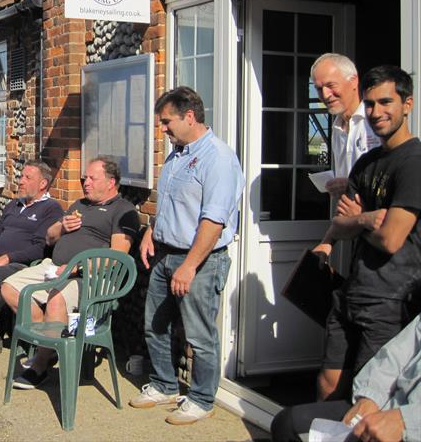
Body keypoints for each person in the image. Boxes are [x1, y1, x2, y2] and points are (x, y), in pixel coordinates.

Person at [130, 86, 244, 425]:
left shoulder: (218, 159)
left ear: (189, 116)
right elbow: (172, 202)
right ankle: (165, 385)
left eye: (166, 122)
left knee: (199, 335)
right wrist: (152, 230)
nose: (162, 129)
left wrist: (190, 265)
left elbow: (213, 220)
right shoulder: (177, 154)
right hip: (166, 255)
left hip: (200, 261)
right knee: (155, 325)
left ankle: (201, 398)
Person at [312, 65, 421, 401]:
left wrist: (358, 221)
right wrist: (367, 219)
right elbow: (339, 223)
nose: (376, 112)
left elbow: (391, 240)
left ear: (408, 104)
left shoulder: (414, 163)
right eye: (370, 104)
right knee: (328, 384)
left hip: (390, 298)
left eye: (386, 102)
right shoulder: (367, 162)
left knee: (368, 394)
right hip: (353, 290)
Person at [1, 156, 139, 390]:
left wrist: (78, 266)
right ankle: (51, 345)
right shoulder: (79, 205)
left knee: (56, 300)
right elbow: (49, 237)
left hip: (89, 278)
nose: (86, 183)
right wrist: (61, 227)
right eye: (85, 178)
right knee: (10, 288)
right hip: (53, 267)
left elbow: (117, 256)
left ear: (111, 182)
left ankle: (40, 366)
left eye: (93, 179)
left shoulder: (123, 211)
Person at [271, 312, 421, 442]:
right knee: (287, 424)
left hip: (412, 427)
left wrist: (406, 421)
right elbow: (393, 358)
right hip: (388, 407)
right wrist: (370, 397)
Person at [0, 159, 63, 355]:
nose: (21, 181)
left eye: (28, 178)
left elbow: (39, 249)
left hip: (23, 265)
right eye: (21, 176)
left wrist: (7, 258)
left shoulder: (51, 209)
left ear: (42, 184)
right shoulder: (13, 205)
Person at [310, 53, 380, 197]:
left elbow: (392, 174)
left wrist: (351, 185)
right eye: (319, 88)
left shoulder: (376, 120)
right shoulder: (337, 127)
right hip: (349, 216)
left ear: (354, 81)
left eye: (330, 85)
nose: (325, 94)